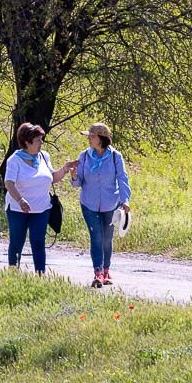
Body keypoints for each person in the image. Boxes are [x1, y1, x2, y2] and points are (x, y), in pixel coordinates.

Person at [3, 123, 77, 275]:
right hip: (18, 209)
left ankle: (40, 275)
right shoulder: (14, 160)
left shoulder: (44, 156)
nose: (41, 143)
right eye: (38, 140)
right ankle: (12, 275)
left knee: (38, 242)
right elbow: (8, 183)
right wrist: (20, 200)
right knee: (17, 242)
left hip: (42, 208)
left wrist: (64, 169)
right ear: (27, 142)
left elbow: (52, 178)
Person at [69, 123, 132, 288]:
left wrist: (125, 200)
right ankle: (97, 272)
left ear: (101, 139)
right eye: (88, 136)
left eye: (92, 136)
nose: (89, 139)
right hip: (89, 204)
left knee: (107, 239)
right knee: (96, 237)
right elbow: (78, 184)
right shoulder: (84, 156)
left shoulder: (115, 157)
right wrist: (74, 176)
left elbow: (122, 179)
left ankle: (106, 270)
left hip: (110, 204)